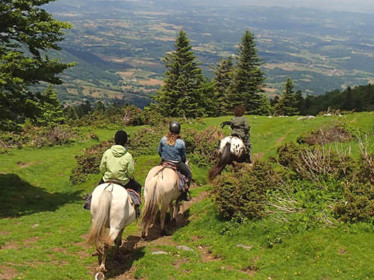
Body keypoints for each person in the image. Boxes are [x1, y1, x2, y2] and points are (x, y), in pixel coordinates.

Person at [84, 130, 142, 217]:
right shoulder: (128, 156)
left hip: (107, 179)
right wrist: (128, 176)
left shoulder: (107, 152)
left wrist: (105, 174)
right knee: (138, 186)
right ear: (126, 141)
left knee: (97, 189)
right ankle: (136, 208)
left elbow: (102, 168)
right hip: (123, 182)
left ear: (115, 140)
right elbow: (130, 173)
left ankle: (89, 201)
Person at [158, 121, 192, 201]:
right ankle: (184, 194)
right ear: (179, 130)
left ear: (169, 129)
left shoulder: (163, 139)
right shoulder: (181, 142)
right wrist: (182, 161)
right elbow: (183, 156)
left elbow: (159, 151)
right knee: (189, 174)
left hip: (164, 161)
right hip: (177, 163)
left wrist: (164, 158)